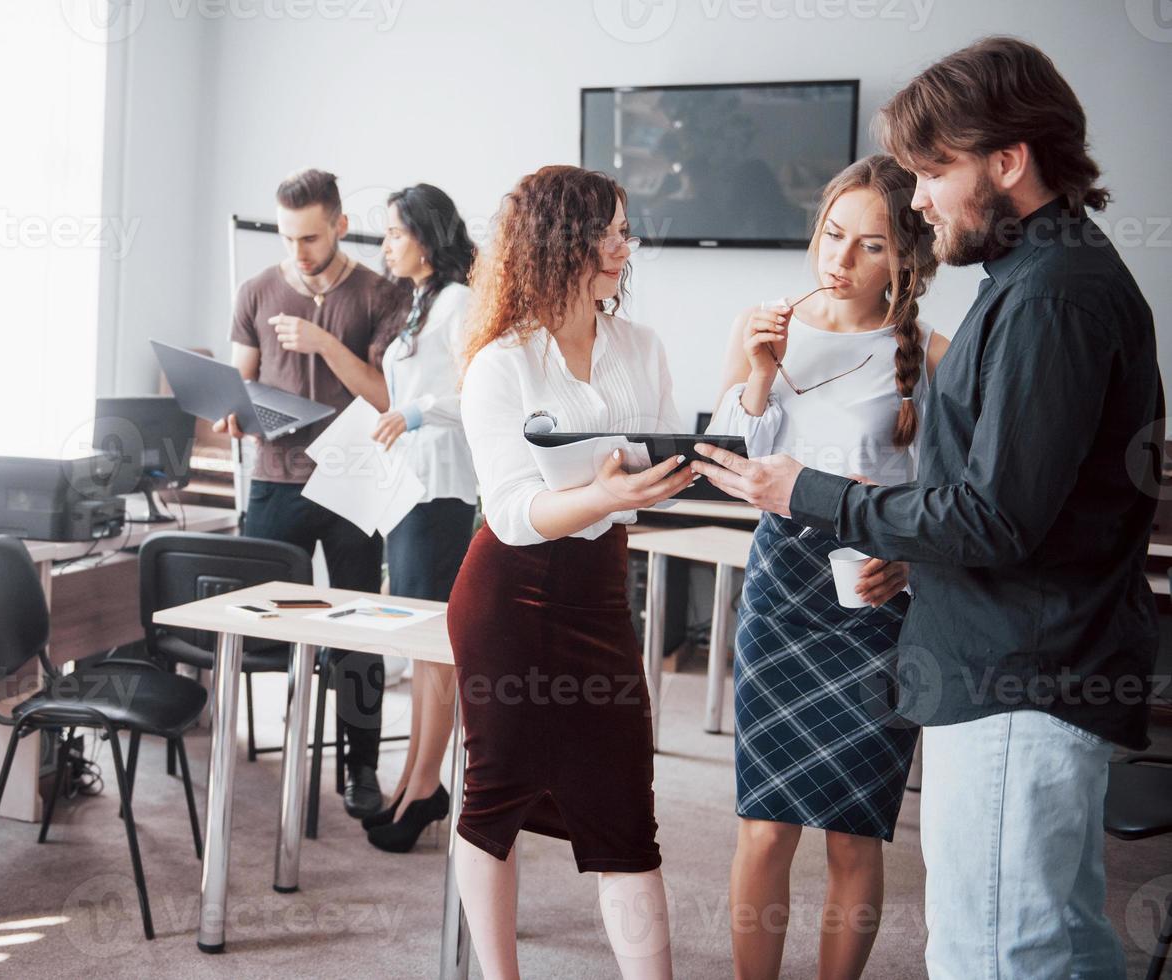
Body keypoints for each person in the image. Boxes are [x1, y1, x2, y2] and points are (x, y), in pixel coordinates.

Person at [693, 37, 1160, 979]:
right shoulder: (1033, 279)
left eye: (931, 173)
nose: (917, 202)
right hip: (1007, 661)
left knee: (992, 954)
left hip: (1014, 679)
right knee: (1063, 944)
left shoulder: (1051, 299)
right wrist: (909, 550)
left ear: (1006, 161)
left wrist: (811, 493)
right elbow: (1010, 502)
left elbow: (995, 518)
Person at [450, 165, 695, 980]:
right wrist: (602, 492)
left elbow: (644, 477)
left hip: (596, 593)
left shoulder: (642, 346)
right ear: (560, 243)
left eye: (626, 230)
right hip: (507, 599)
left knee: (625, 802)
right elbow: (514, 513)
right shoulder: (500, 364)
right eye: (611, 232)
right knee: (496, 796)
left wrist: (663, 477)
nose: (626, 247)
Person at [706, 154, 946, 980]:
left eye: (869, 247)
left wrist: (910, 567)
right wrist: (761, 371)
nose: (839, 262)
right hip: (781, 588)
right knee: (765, 824)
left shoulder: (935, 355)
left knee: (854, 830)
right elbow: (728, 465)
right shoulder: (763, 326)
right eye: (832, 236)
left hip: (876, 599)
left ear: (906, 260)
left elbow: (955, 508)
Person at [212, 168, 408, 818]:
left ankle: (359, 769)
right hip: (273, 481)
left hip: (353, 480)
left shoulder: (381, 293)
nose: (296, 252)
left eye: (310, 238)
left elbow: (385, 395)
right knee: (253, 625)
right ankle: (244, 747)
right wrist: (230, 413)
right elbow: (240, 385)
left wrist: (324, 343)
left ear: (340, 227)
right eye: (287, 237)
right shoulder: (257, 290)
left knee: (357, 633)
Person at [362, 183, 479, 852]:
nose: (384, 246)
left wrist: (417, 411)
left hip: (439, 490)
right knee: (413, 642)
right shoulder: (420, 304)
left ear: (427, 237)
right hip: (408, 487)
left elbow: (480, 393)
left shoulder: (459, 304)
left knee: (433, 648)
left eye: (394, 234)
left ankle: (425, 786)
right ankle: (410, 781)